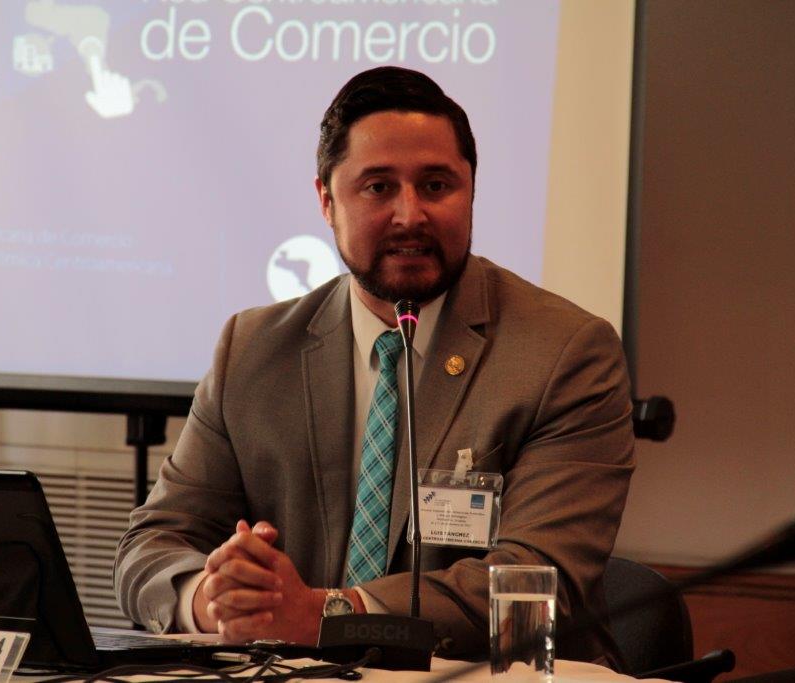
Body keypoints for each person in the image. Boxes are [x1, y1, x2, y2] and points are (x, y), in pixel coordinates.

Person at [114, 66, 634, 666]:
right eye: (378, 187)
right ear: (326, 201)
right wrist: (217, 598)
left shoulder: (565, 353)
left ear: (471, 191)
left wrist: (328, 615)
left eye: (436, 185)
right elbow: (151, 545)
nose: (410, 215)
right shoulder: (252, 348)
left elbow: (537, 583)